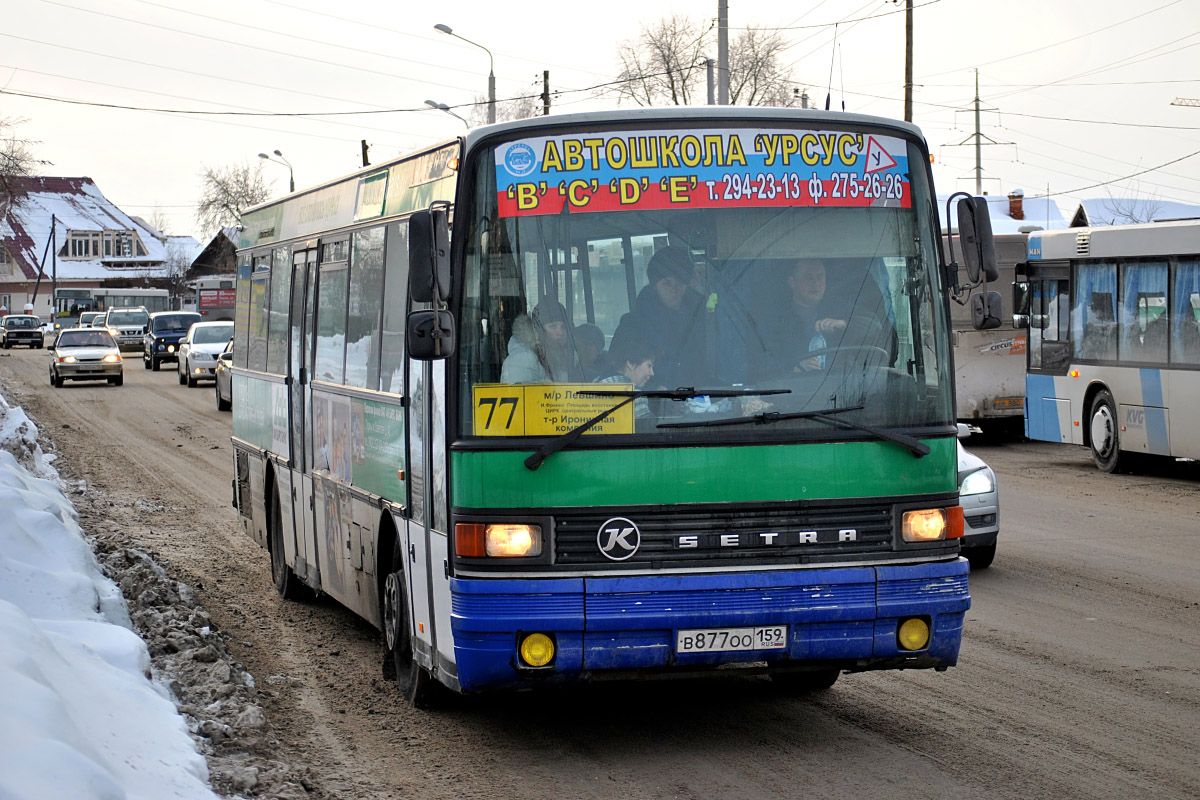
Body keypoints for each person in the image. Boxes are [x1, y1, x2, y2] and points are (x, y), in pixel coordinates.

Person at [612, 246, 705, 388]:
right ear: (654, 285)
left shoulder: (701, 319)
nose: (674, 289)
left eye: (679, 283)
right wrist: (652, 390)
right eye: (666, 283)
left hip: (699, 401)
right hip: (648, 403)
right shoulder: (632, 325)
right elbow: (617, 371)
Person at [762, 258, 851, 375]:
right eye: (809, 278)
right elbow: (763, 365)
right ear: (792, 282)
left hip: (846, 389)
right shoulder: (776, 321)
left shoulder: (840, 308)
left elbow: (874, 326)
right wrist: (794, 369)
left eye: (820, 277)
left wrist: (844, 324)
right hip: (793, 391)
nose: (816, 283)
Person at [501, 297, 583, 383]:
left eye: (563, 327)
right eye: (553, 326)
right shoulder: (523, 359)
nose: (560, 332)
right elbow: (518, 392)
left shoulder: (569, 356)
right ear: (538, 331)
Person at [594, 334, 656, 420]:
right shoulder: (634, 394)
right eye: (649, 366)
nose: (652, 373)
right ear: (631, 363)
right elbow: (650, 428)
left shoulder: (595, 383)